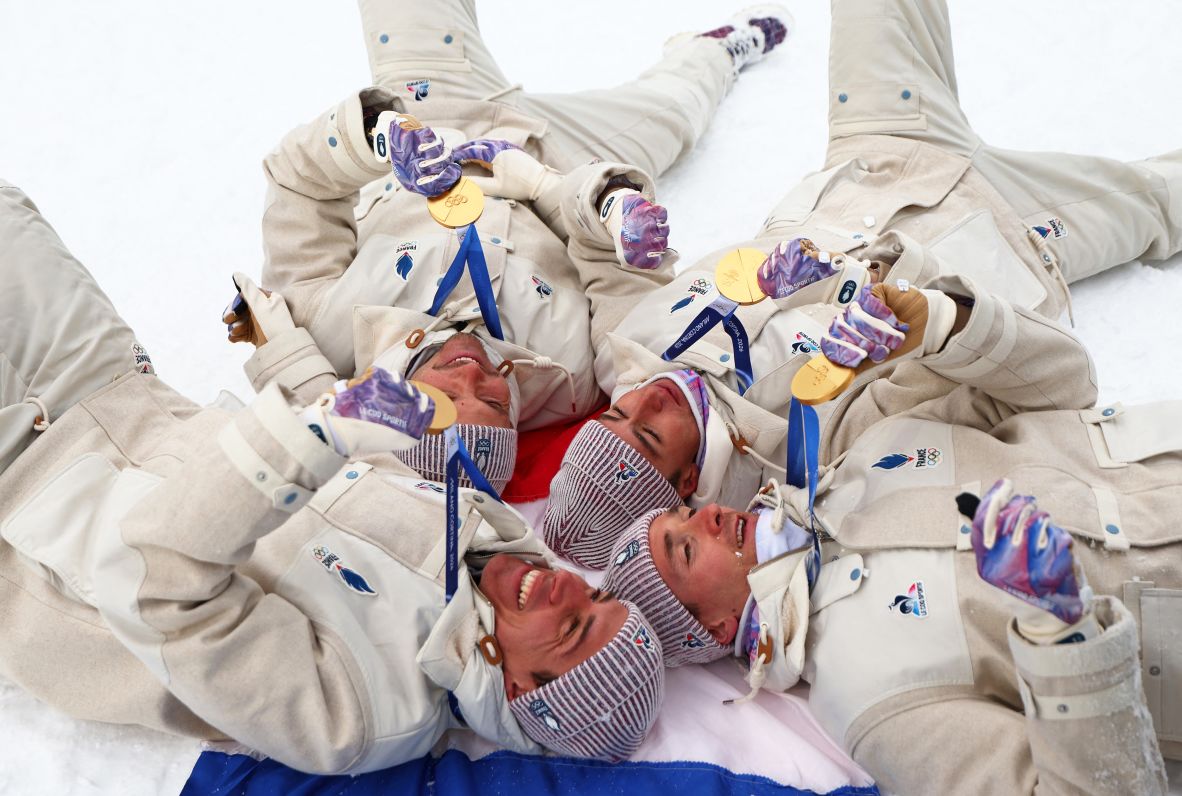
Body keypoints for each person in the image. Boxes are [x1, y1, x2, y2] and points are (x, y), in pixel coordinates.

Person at [0, 181, 665, 774]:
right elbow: (351, 454)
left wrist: (316, 433)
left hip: (24, 507)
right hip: (114, 389)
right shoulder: (483, 534)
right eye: (596, 598)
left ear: (521, 693)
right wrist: (274, 342)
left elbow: (154, 589)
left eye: (573, 627)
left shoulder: (361, 712)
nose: (567, 589)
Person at [542, 0, 1182, 572]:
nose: (648, 399)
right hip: (1010, 233)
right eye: (651, 432)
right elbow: (986, 385)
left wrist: (612, 208)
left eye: (621, 413)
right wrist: (908, 318)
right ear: (686, 484)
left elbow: (596, 244)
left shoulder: (625, 351)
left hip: (876, 156)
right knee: (1165, 203)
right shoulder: (808, 456)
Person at [599, 276, 1180, 792]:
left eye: (682, 513)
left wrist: (946, 325)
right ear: (717, 626)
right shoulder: (865, 695)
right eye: (683, 548)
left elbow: (1063, 387)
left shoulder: (854, 458)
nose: (705, 515)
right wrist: (1065, 632)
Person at [223, 1, 794, 494]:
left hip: (436, 112)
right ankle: (716, 51)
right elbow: (617, 274)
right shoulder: (572, 377)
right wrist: (613, 209)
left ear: (398, 397)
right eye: (495, 403)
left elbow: (299, 183)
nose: (474, 375)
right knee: (674, 116)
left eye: (447, 392)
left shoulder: (334, 329)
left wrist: (378, 136)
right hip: (561, 159)